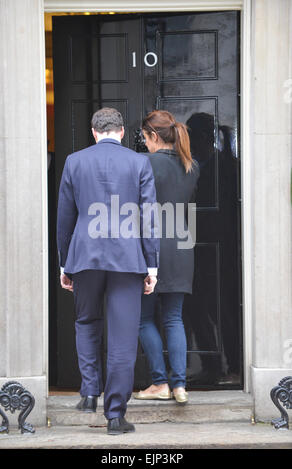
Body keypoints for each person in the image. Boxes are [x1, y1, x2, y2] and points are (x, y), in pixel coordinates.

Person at [56, 107, 160, 435]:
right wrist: (152, 264)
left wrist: (64, 263)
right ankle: (115, 416)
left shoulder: (74, 162)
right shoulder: (139, 162)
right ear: (120, 130)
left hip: (84, 257)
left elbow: (64, 219)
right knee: (123, 339)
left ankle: (89, 392)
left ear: (93, 131)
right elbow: (149, 218)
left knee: (86, 322)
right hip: (128, 259)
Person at [135, 110, 200, 405]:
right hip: (182, 245)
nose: (144, 143)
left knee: (143, 318)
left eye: (144, 137)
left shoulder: (145, 163)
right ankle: (179, 386)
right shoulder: (191, 165)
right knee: (174, 318)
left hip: (152, 245)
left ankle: (159, 382)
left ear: (154, 135)